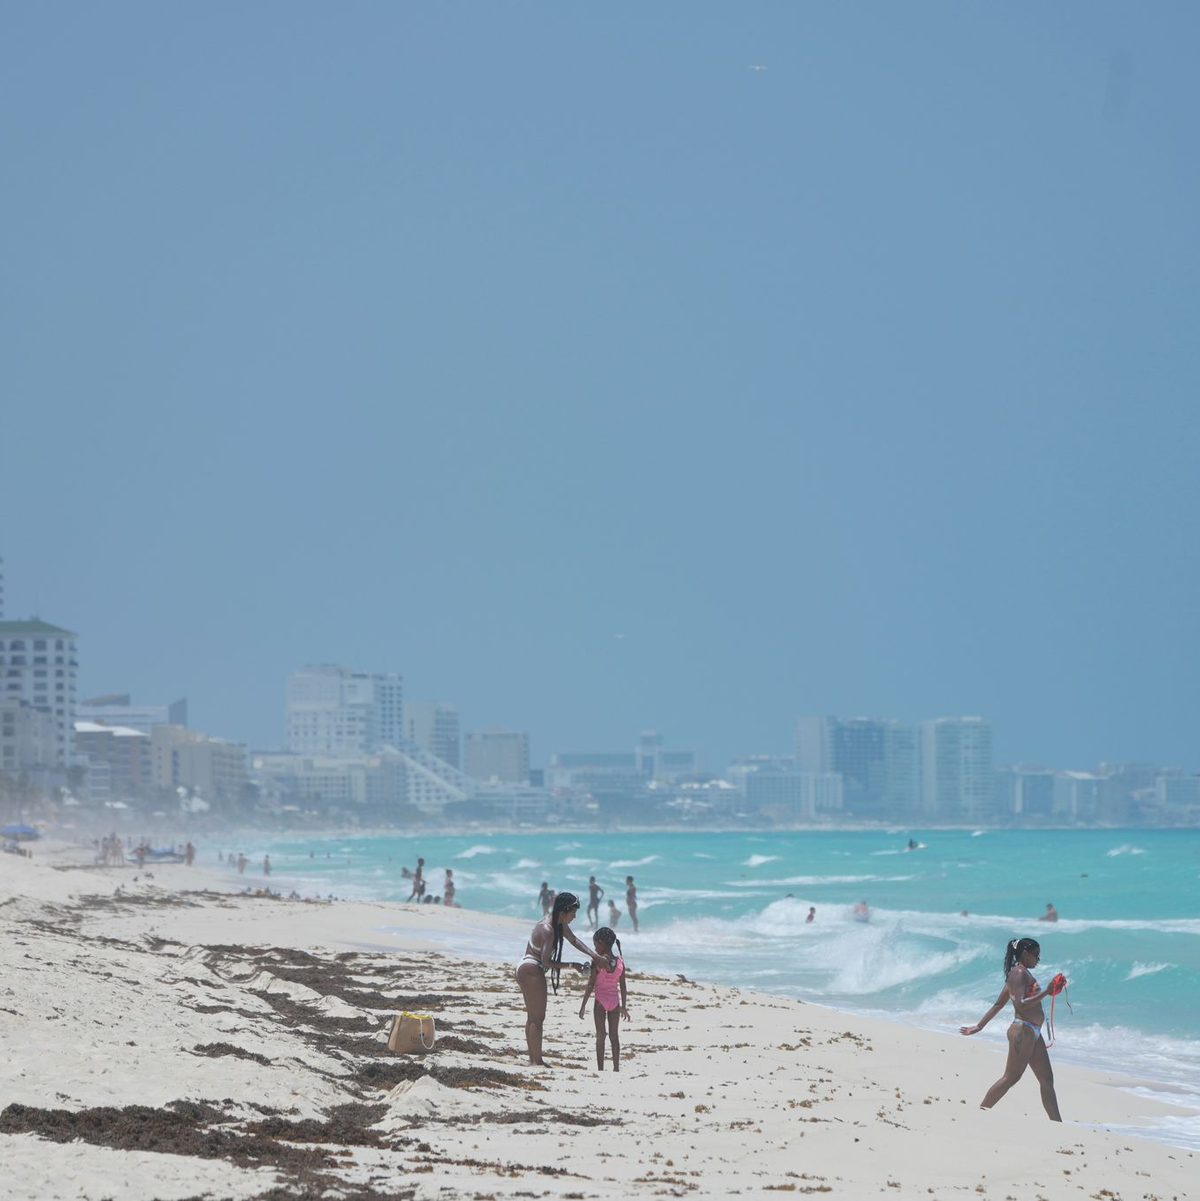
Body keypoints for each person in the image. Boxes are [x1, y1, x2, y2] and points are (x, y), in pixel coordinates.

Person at [960, 937, 1063, 1121]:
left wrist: (979, 1026)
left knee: (1047, 1080)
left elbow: (999, 1004)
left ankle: (1057, 1124)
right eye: (1036, 955)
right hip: (1023, 1031)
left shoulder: (1019, 973)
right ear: (1025, 954)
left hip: (1032, 1031)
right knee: (1011, 1077)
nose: (1038, 959)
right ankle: (980, 1112)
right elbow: (1021, 1005)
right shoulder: (1019, 973)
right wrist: (1047, 992)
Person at [516, 891, 602, 1066]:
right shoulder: (548, 929)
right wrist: (572, 965)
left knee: (532, 1018)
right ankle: (537, 1061)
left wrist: (594, 955)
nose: (574, 917)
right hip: (532, 969)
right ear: (565, 911)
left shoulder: (556, 921)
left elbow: (573, 940)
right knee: (537, 1019)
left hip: (525, 967)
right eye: (573, 913)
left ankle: (533, 1059)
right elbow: (546, 961)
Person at [578, 926, 629, 1070]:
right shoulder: (620, 962)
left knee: (600, 1035)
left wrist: (583, 1006)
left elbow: (590, 984)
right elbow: (623, 987)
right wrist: (624, 1007)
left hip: (600, 1002)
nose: (595, 949)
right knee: (614, 1036)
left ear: (601, 943)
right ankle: (616, 1068)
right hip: (615, 1003)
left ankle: (600, 1069)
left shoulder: (597, 961)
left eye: (595, 945)